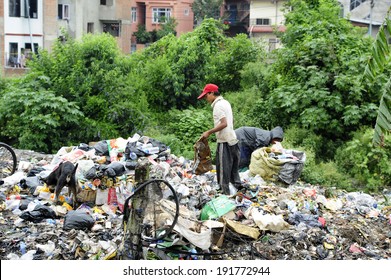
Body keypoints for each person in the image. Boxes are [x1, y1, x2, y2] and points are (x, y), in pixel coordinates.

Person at [197, 83, 242, 194]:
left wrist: (209, 132)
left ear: (212, 93)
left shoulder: (217, 106)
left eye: (206, 96)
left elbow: (224, 123)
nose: (206, 99)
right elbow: (231, 121)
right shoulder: (226, 103)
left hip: (224, 142)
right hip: (233, 139)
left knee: (222, 169)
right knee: (233, 169)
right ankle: (237, 189)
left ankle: (224, 193)